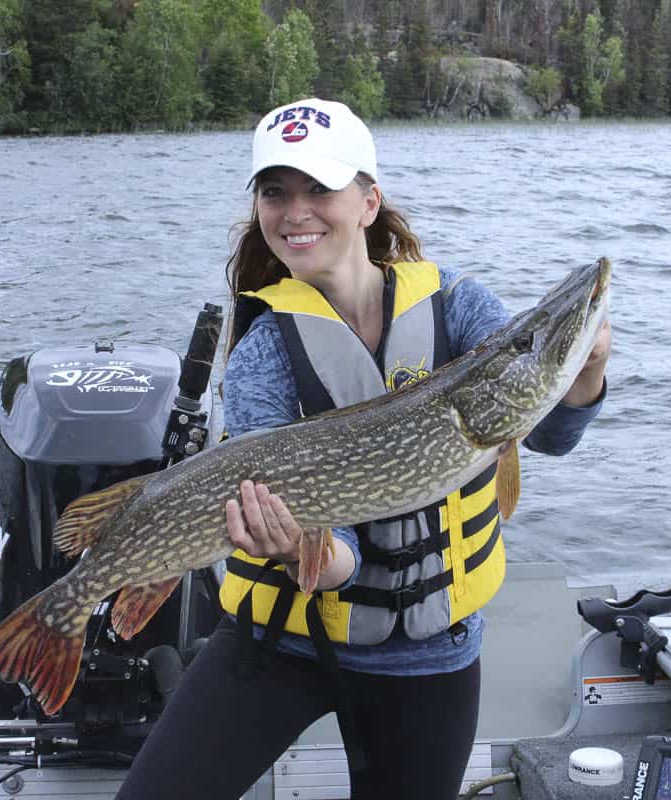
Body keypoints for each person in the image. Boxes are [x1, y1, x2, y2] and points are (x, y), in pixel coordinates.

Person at [114, 98, 612, 800]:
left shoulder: (458, 309)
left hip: (428, 657)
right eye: (275, 192)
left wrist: (586, 371)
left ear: (369, 201)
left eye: (320, 188)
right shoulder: (265, 353)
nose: (296, 212)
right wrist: (295, 547)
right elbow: (334, 556)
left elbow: (553, 434)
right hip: (278, 646)